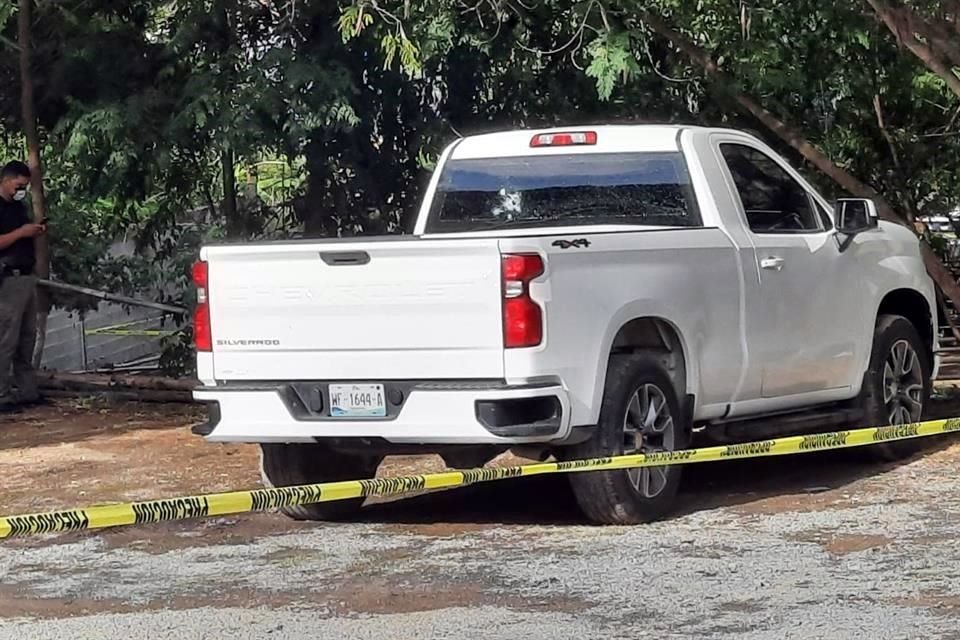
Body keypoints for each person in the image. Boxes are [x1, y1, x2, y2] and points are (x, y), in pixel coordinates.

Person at [0, 160, 45, 413]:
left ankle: (28, 391)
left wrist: (34, 231)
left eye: (25, 187)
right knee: (6, 339)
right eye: (19, 186)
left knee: (27, 337)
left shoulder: (17, 207)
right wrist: (21, 233)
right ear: (6, 180)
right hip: (8, 279)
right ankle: (2, 394)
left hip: (26, 276)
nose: (21, 191)